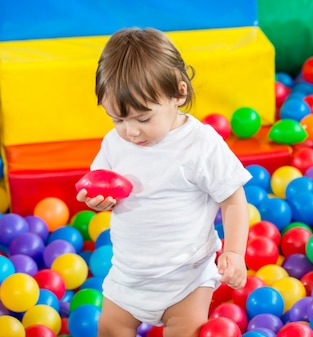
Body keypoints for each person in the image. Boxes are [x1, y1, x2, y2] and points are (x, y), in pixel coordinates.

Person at [76, 27, 251, 337]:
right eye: (117, 119)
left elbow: (233, 200)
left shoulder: (200, 145)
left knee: (185, 330)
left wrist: (234, 252)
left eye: (143, 119)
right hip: (129, 275)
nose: (130, 131)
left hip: (187, 276)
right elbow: (101, 186)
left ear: (178, 93)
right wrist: (96, 201)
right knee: (110, 327)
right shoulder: (114, 145)